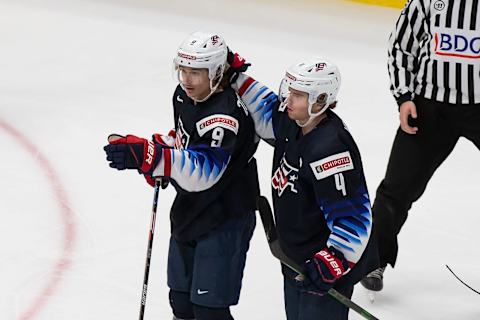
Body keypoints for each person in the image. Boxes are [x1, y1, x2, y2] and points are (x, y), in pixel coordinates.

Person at [103, 31, 259, 320]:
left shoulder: (224, 118)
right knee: (181, 302)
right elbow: (186, 142)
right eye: (183, 71)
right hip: (190, 211)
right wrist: (162, 149)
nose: (186, 80)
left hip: (225, 217)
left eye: (196, 73)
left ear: (216, 72)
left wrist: (155, 158)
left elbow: (203, 173)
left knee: (208, 311)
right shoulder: (183, 95)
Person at [233, 58, 378, 320]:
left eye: (297, 95)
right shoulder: (294, 122)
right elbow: (266, 108)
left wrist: (333, 261)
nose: (288, 100)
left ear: (320, 99)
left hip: (326, 265)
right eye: (289, 91)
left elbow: (353, 217)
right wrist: (236, 78)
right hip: (296, 256)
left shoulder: (331, 150)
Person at [361, 0, 480, 292]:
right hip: (429, 109)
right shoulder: (426, 3)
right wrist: (404, 97)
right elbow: (402, 47)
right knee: (396, 189)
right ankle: (375, 258)